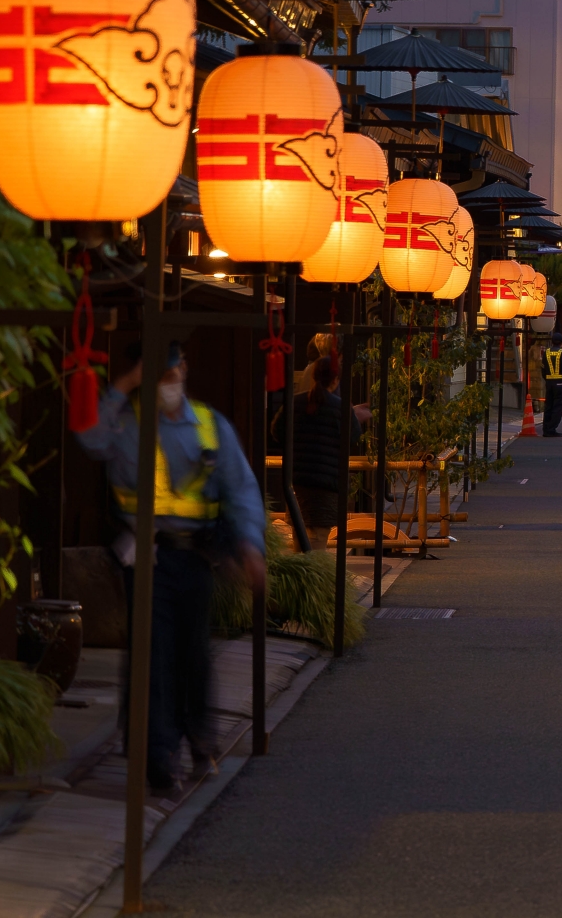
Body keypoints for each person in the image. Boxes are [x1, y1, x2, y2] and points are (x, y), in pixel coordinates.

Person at [76, 341, 265, 796]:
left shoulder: (209, 425)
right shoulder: (127, 422)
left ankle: (199, 742)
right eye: (158, 374)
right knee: (153, 655)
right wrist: (124, 384)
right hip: (146, 557)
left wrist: (249, 545)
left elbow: (239, 487)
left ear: (185, 368)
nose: (168, 382)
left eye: (172, 370)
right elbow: (90, 437)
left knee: (194, 653)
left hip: (196, 556)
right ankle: (159, 757)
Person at [269, 356, 361, 541]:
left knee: (299, 537)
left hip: (297, 481)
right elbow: (352, 437)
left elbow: (276, 431)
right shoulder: (341, 408)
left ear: (312, 375)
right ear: (335, 380)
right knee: (318, 539)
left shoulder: (294, 403)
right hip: (326, 484)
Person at [541, 331, 562, 437]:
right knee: (558, 407)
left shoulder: (546, 353)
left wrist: (547, 379)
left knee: (548, 406)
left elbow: (543, 369)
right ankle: (551, 429)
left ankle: (546, 429)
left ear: (552, 342)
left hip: (549, 383)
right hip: (560, 383)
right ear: (561, 343)